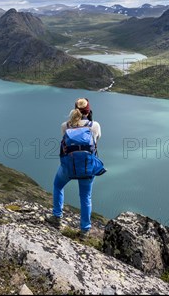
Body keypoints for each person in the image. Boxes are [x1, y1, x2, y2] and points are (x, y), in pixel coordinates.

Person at [47, 97, 101, 238]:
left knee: (58, 186)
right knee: (85, 196)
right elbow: (97, 140)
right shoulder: (94, 126)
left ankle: (57, 218)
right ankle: (84, 230)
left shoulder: (65, 126)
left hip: (68, 167)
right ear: (88, 111)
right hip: (87, 168)